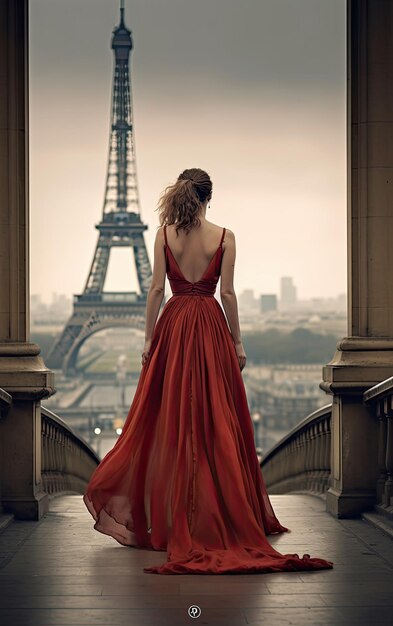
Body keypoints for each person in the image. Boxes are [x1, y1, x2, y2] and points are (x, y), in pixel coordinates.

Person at [83, 168, 333, 575]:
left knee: (172, 421)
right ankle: (221, 511)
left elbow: (154, 291)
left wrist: (148, 341)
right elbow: (229, 294)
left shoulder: (164, 234)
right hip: (211, 327)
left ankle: (172, 514)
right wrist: (238, 341)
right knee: (216, 419)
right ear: (208, 197)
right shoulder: (225, 236)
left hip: (175, 327)